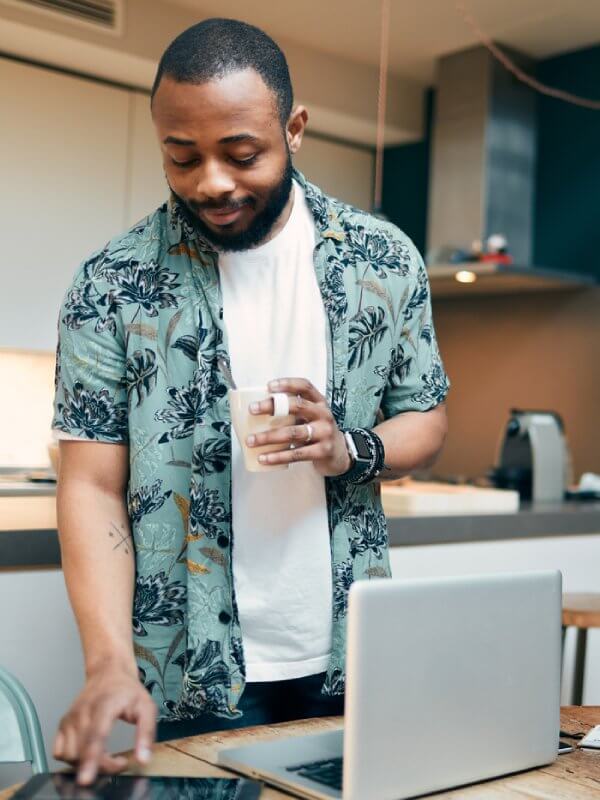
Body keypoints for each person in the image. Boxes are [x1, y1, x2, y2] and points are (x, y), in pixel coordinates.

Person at [51, 17, 449, 785]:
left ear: (294, 129)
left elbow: (426, 420)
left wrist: (351, 448)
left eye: (242, 154)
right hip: (180, 666)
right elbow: (91, 484)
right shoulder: (109, 285)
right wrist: (106, 665)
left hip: (351, 654)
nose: (212, 183)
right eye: (181, 155)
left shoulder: (382, 259)